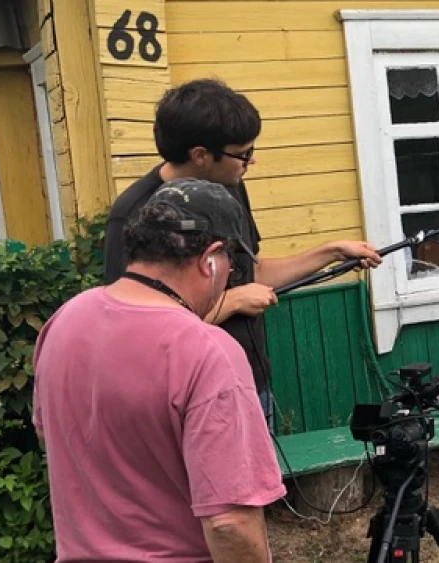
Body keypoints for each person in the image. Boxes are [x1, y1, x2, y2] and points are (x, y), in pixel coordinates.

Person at [103, 78, 382, 427]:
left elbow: (253, 273)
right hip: (187, 397)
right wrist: (232, 302)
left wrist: (330, 251)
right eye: (244, 153)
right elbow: (136, 335)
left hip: (249, 379)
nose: (252, 161)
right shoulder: (134, 213)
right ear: (201, 155)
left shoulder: (228, 186)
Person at [33, 179, 287, 562]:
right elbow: (229, 522)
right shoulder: (207, 352)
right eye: (232, 266)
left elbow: (46, 433)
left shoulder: (64, 321)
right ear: (211, 259)